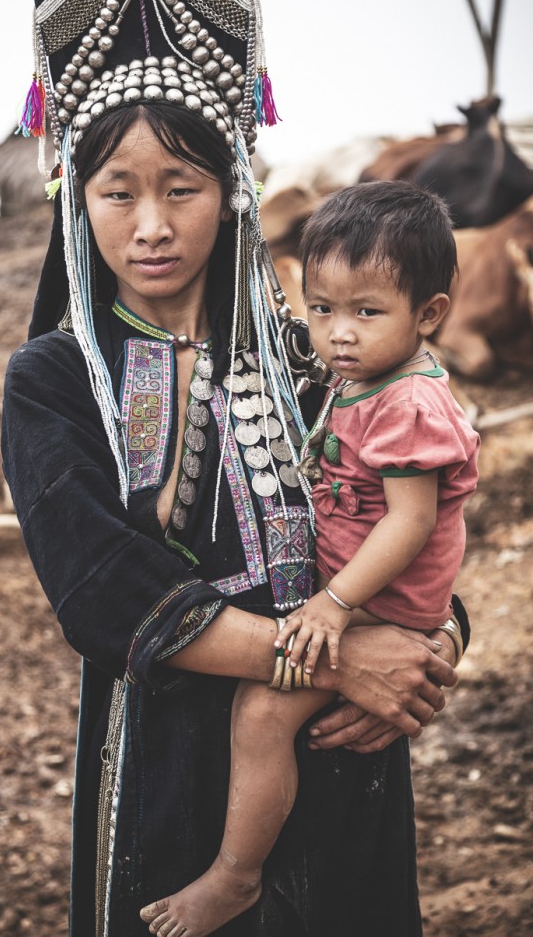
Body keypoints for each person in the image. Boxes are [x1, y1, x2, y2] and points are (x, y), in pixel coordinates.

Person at [1, 0, 467, 937]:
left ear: (236, 192)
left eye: (184, 186)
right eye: (116, 192)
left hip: (345, 763)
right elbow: (102, 592)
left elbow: (412, 518)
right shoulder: (54, 383)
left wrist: (432, 650)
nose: (154, 225)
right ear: (75, 202)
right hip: (171, 772)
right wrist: (343, 665)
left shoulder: (317, 358)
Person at [148, 181, 479, 936]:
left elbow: (411, 523)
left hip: (374, 604)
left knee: (263, 710)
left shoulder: (405, 402)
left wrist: (334, 606)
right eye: (321, 308)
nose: (337, 334)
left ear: (429, 315)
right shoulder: (359, 380)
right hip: (361, 595)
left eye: (366, 312)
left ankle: (234, 875)